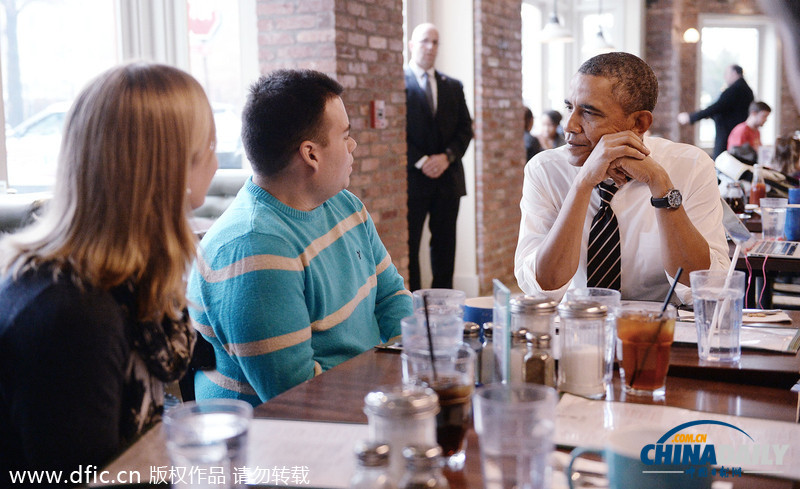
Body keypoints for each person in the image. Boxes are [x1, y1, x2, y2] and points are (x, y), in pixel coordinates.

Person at [0, 63, 216, 479]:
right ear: (171, 169)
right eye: (208, 143)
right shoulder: (73, 313)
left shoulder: (127, 278)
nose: (215, 154)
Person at [188, 69, 411, 406]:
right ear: (311, 154)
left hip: (359, 399)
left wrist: (415, 370)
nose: (353, 145)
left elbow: (391, 297)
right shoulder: (253, 249)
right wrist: (393, 395)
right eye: (344, 135)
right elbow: (300, 399)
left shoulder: (345, 205)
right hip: (273, 439)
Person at [515, 52, 729, 304]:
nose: (569, 126)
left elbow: (706, 286)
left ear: (639, 123)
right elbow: (543, 287)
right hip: (577, 324)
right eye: (569, 108)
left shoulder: (691, 165)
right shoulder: (545, 169)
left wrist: (660, 184)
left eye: (589, 113)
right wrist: (583, 183)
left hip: (659, 329)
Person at [405, 22, 473, 291]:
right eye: (424, 41)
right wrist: (422, 161)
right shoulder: (398, 84)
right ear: (412, 45)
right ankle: (411, 305)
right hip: (413, 180)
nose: (430, 47)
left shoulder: (453, 86)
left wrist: (446, 157)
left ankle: (442, 303)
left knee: (445, 246)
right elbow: (396, 135)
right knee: (410, 245)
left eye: (435, 42)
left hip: (448, 179)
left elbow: (465, 130)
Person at [678, 64, 754, 159]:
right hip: (731, 135)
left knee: (721, 163)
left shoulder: (736, 89)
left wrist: (691, 117)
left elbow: (717, 107)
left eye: (727, 73)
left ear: (734, 73)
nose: (725, 77)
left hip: (727, 135)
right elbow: (725, 109)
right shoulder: (746, 89)